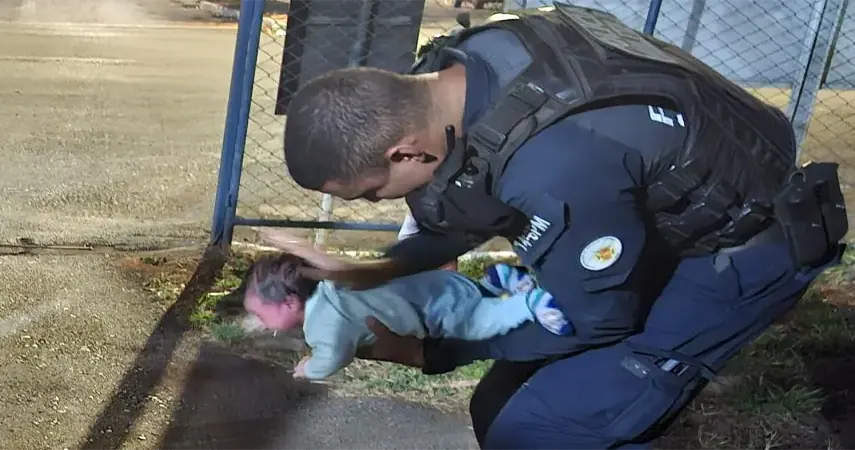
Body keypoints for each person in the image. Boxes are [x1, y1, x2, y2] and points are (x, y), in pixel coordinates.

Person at [266, 4, 848, 449]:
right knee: (497, 403)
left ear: (405, 152)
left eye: (372, 191)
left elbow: (599, 317)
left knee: (540, 429)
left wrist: (431, 353)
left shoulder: (556, 169)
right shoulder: (457, 69)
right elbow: (466, 196)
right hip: (662, 219)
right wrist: (373, 271)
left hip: (743, 250)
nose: (376, 201)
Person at [240, 252, 551, 381]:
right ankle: (496, 281)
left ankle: (529, 304)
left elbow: (333, 357)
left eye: (261, 315)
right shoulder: (333, 285)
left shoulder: (321, 324)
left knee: (477, 324)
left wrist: (308, 369)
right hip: (438, 285)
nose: (261, 324)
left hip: (434, 310)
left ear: (290, 302)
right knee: (473, 302)